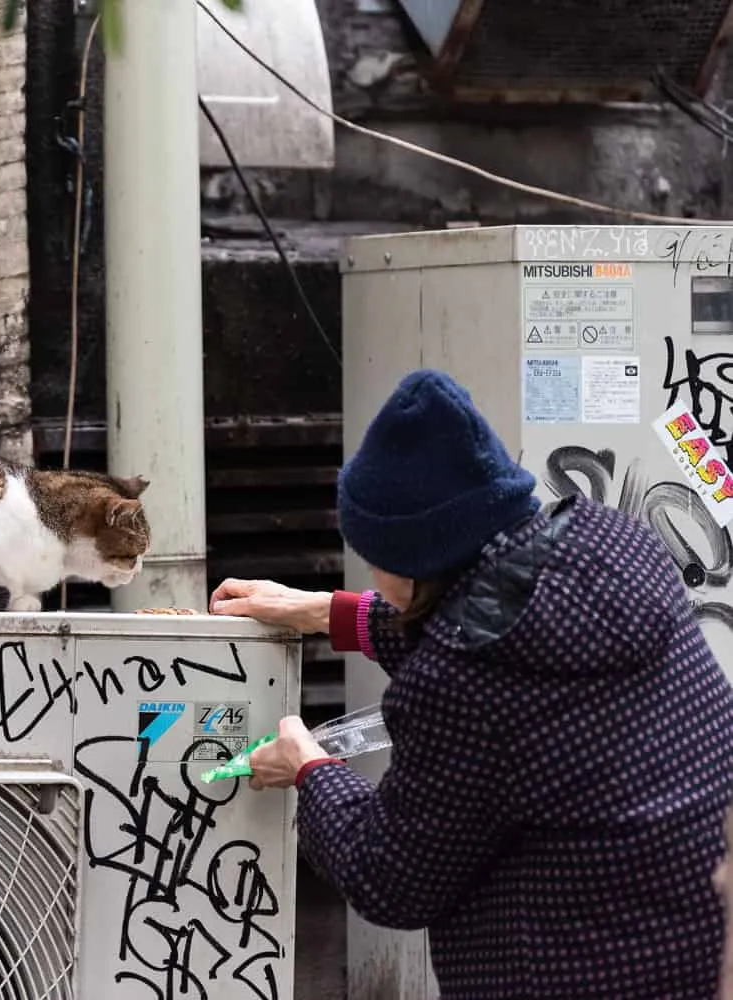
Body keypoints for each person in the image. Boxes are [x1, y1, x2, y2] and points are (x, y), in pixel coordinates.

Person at [209, 369, 733, 999]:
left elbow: (391, 879)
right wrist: (327, 611)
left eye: (375, 555)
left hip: (575, 972)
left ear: (411, 556)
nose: (372, 572)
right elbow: (504, 618)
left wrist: (309, 769)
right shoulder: (615, 542)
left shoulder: (456, 683)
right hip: (703, 944)